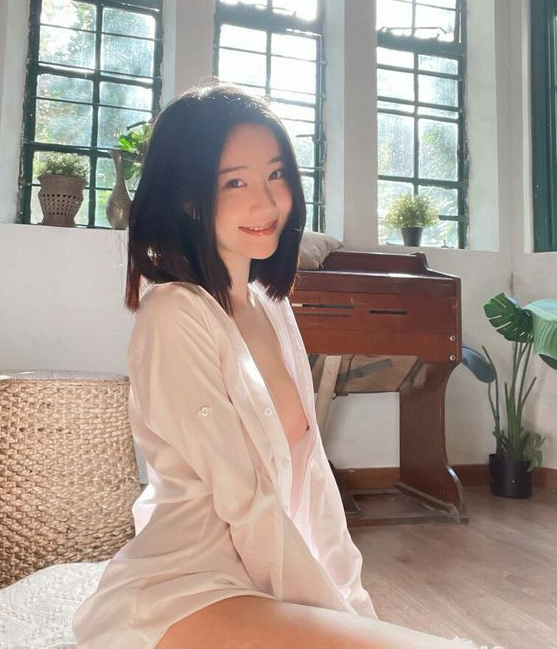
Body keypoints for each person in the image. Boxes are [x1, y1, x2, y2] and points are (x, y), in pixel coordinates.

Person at [72, 83, 466, 648]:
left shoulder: (271, 307)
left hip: (264, 589)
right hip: (186, 591)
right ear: (187, 197)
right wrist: (336, 621)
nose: (266, 202)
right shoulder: (174, 315)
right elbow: (246, 501)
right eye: (234, 182)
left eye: (276, 175)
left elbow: (314, 487)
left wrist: (356, 611)